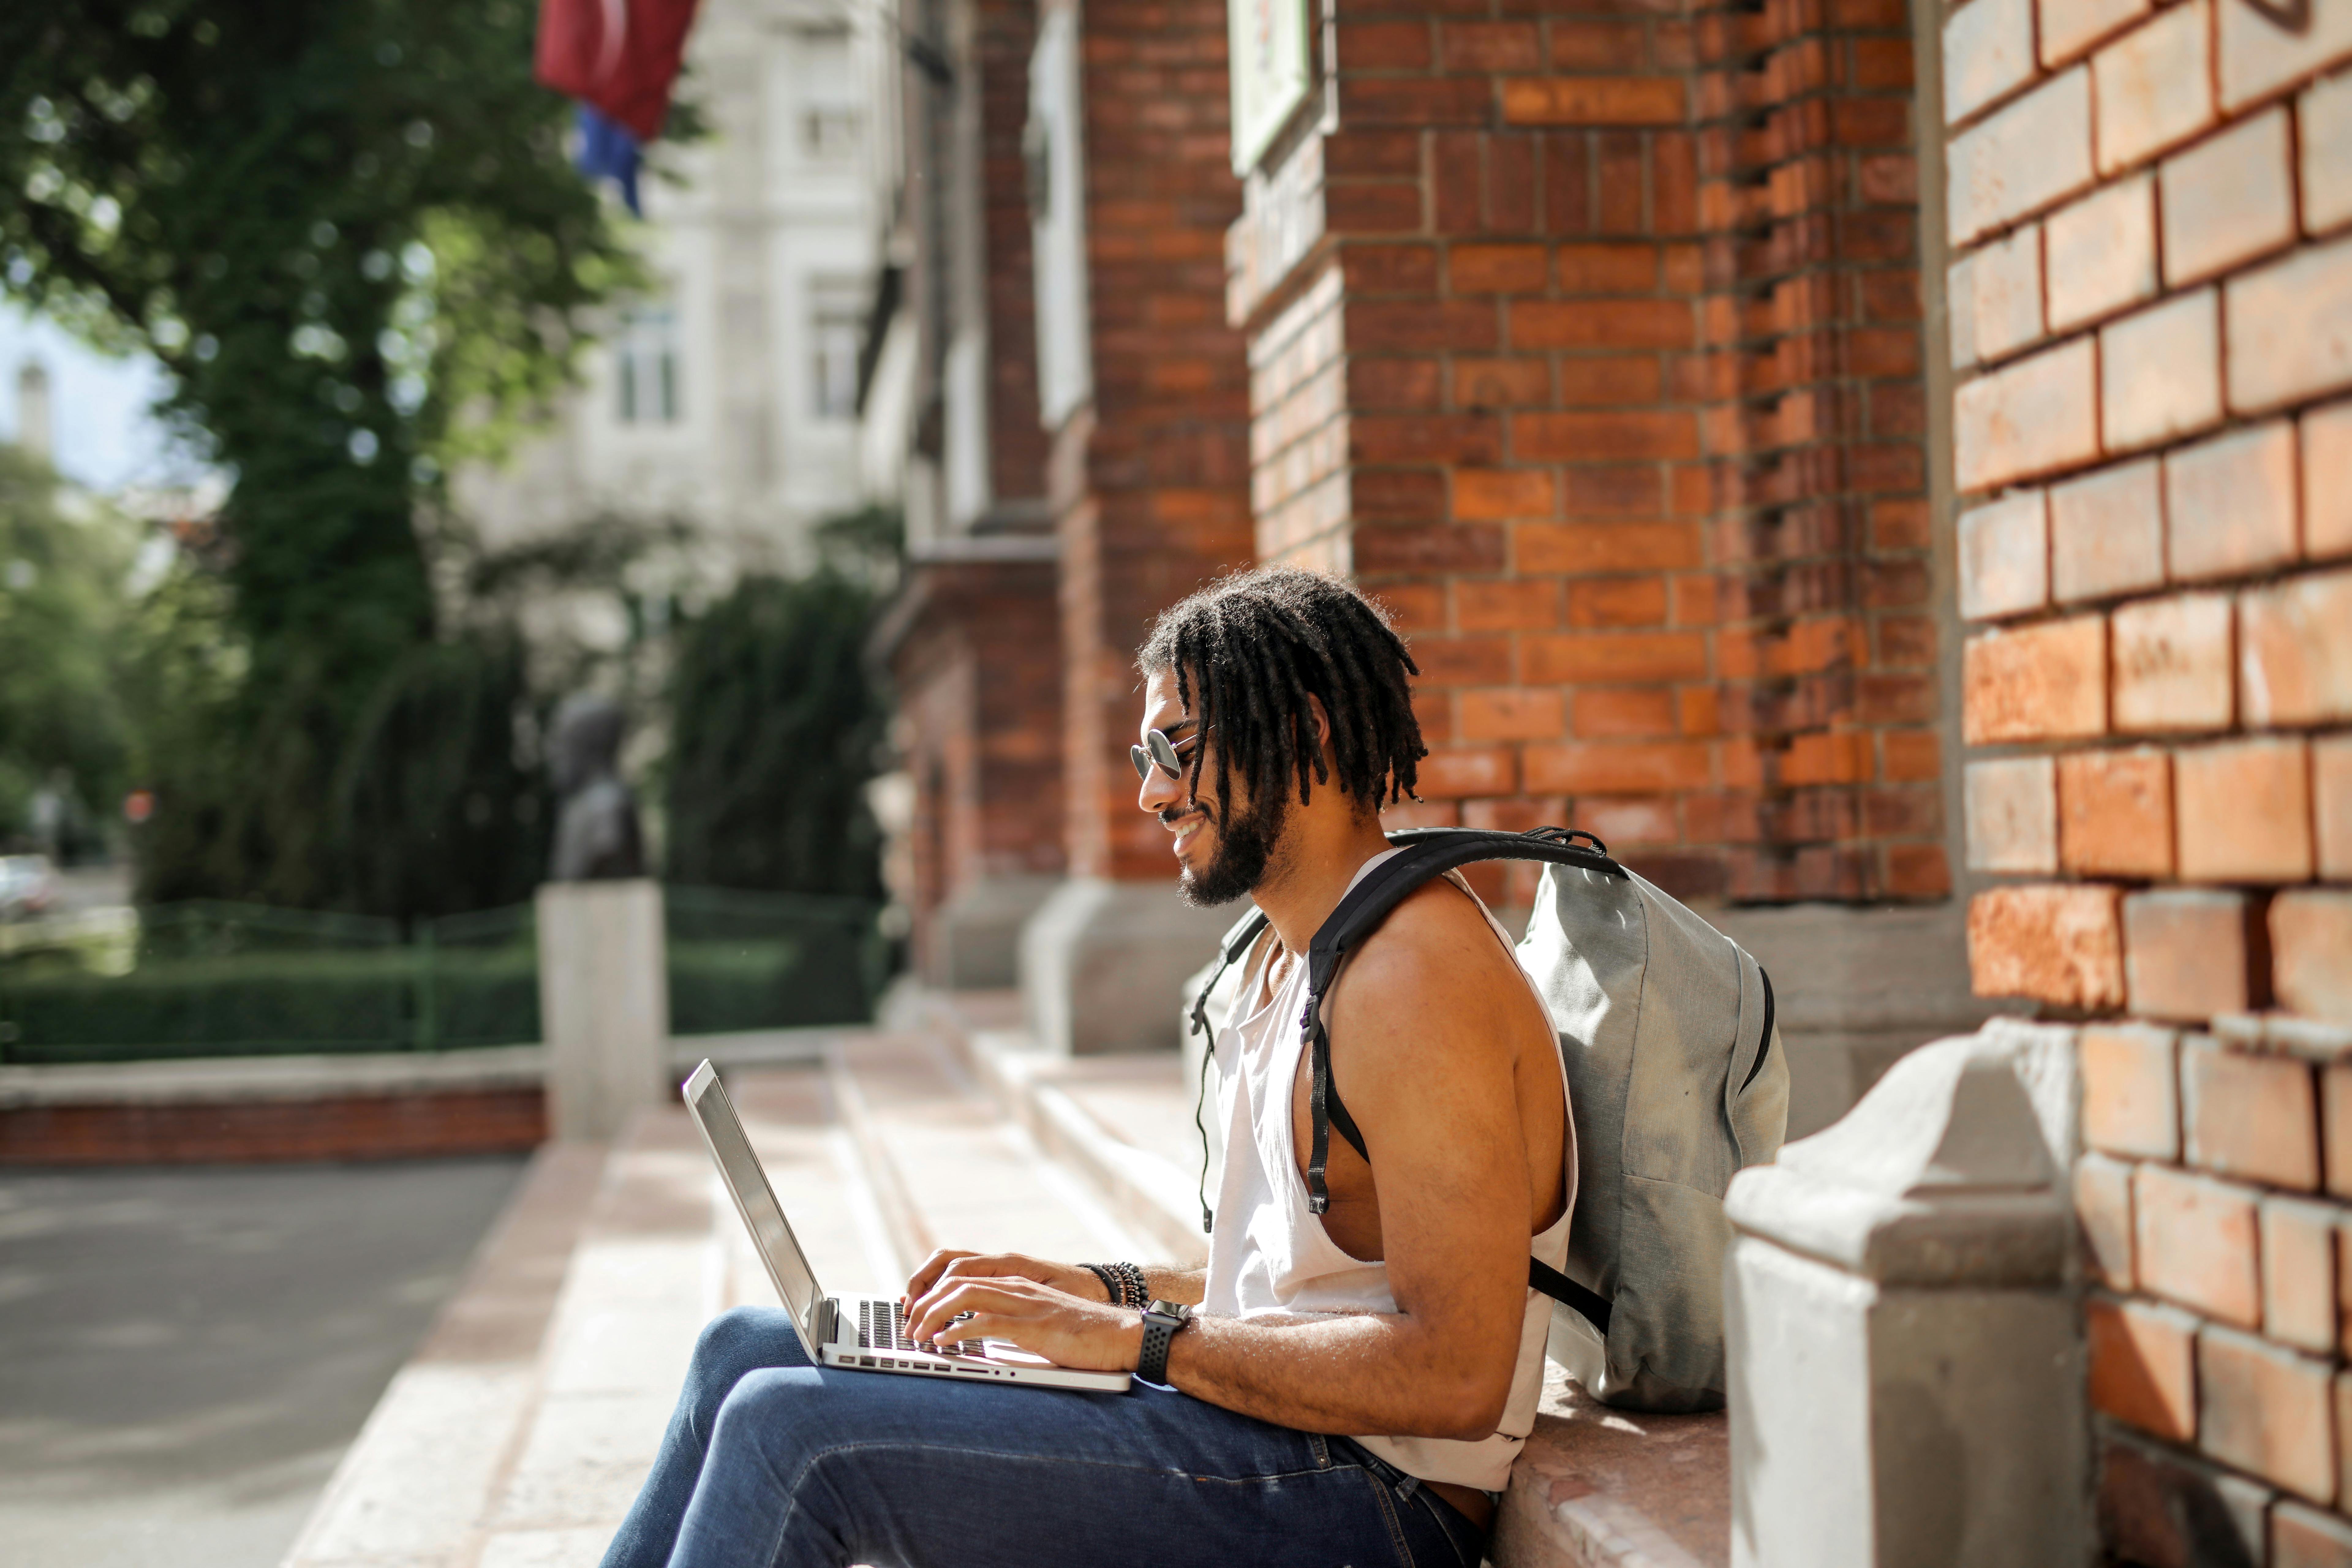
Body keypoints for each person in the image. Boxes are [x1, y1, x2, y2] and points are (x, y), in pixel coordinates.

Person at [600, 566, 1570, 1568]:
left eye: (1175, 748)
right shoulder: (1292, 954)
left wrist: (1140, 1341)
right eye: (1143, 756)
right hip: (1272, 1443)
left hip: (1373, 1501)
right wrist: (1091, 1290)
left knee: (793, 1432)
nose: (1151, 791)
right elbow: (1292, 1289)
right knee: (749, 1352)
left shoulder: (1412, 976)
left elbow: (1458, 1372)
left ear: (1305, 731)